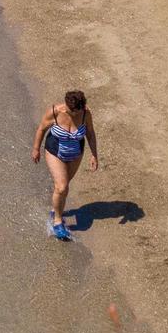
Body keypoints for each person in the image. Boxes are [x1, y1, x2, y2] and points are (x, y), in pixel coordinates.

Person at [31, 90, 98, 241]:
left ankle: (55, 211)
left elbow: (90, 134)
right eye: (70, 110)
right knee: (61, 187)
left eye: (76, 111)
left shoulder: (85, 114)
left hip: (76, 154)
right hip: (55, 152)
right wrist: (36, 149)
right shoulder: (54, 112)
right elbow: (42, 128)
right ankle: (57, 222)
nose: (73, 114)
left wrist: (94, 154)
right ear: (66, 104)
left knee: (64, 186)